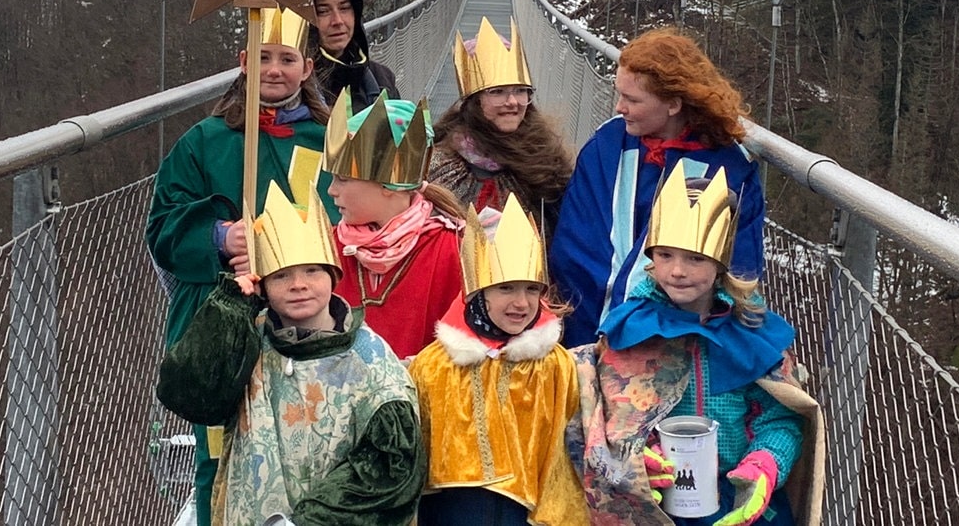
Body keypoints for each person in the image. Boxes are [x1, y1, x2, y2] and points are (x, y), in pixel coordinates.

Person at [146, 7, 337, 524]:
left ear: (307, 67)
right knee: (221, 451)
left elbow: (349, 220)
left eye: (286, 59)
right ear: (244, 62)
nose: (274, 69)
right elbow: (162, 226)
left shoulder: (330, 143)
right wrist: (219, 235)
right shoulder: (204, 141)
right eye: (263, 57)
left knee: (309, 443)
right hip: (228, 318)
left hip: (303, 318)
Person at [157, 182, 424, 526]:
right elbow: (190, 396)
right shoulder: (248, 344)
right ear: (264, 284)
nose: (298, 284)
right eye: (282, 275)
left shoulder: (371, 360)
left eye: (312, 270)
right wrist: (229, 308)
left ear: (332, 276)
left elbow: (390, 470)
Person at [567, 169, 823, 526]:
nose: (677, 271)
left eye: (695, 259)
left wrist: (765, 464)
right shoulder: (631, 328)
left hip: (731, 500)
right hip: (656, 502)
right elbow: (608, 421)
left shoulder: (750, 330)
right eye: (666, 255)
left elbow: (779, 416)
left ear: (720, 263)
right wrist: (639, 461)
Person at [549, 27, 763, 348]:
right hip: (588, 324)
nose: (619, 107)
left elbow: (740, 268)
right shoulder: (606, 147)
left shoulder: (730, 166)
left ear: (673, 104)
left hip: (680, 334)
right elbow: (576, 244)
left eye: (632, 99)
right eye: (618, 93)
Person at [408, 194, 588, 525]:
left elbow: (562, 459)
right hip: (450, 514)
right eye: (506, 288)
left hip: (521, 515)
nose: (521, 303)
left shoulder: (552, 365)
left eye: (532, 289)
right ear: (479, 291)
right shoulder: (433, 366)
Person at [324, 92, 468, 359]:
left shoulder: (450, 249)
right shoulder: (327, 246)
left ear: (388, 184)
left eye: (343, 178)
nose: (331, 190)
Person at [429, 17, 572, 235]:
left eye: (520, 90)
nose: (513, 102)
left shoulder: (546, 160)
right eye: (497, 92)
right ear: (474, 101)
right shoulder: (439, 165)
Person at [307, 0, 399, 107]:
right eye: (323, 12)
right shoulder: (291, 86)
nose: (337, 21)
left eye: (344, 8)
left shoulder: (382, 79)